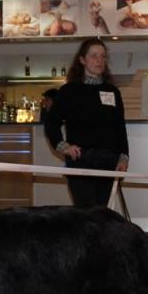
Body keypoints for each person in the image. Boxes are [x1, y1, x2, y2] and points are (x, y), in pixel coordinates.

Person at [44, 38, 128, 208]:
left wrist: (124, 157)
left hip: (108, 162)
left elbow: (120, 127)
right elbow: (51, 123)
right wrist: (63, 146)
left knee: (103, 215)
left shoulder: (113, 91)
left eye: (103, 56)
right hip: (81, 162)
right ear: (82, 60)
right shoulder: (69, 91)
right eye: (94, 56)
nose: (99, 60)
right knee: (85, 217)